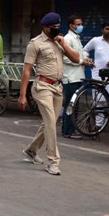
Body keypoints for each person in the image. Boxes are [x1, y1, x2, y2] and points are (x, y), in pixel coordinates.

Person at [18, 13, 81, 176]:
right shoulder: (35, 44)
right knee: (51, 123)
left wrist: (64, 44)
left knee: (49, 122)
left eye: (58, 26)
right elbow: (26, 71)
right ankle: (53, 161)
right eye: (53, 27)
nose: (57, 29)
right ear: (45, 27)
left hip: (58, 87)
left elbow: (76, 59)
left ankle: (31, 150)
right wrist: (22, 95)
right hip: (42, 87)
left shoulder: (60, 41)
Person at [61, 15, 93, 139]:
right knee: (70, 105)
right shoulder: (67, 39)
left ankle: (70, 129)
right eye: (78, 24)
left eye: (81, 24)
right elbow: (65, 58)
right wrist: (81, 62)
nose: (80, 26)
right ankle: (68, 131)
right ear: (71, 25)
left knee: (74, 105)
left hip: (78, 76)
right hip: (70, 77)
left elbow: (79, 55)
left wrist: (86, 60)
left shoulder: (76, 38)